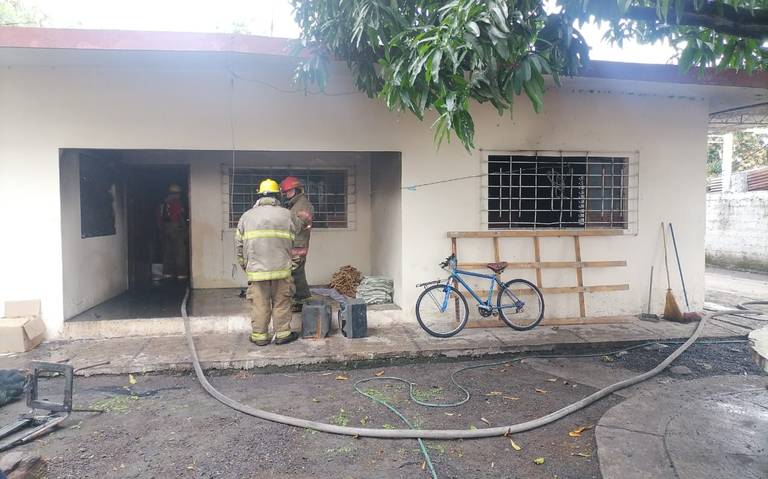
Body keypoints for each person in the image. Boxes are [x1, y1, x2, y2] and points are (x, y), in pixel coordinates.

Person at [235, 178, 301, 346]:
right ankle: (282, 334)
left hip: (257, 271)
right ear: (277, 196)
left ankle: (260, 337)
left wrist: (246, 266)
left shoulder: (246, 216)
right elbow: (297, 242)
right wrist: (293, 264)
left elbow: (239, 246)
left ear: (259, 196)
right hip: (282, 270)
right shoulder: (288, 215)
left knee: (259, 304)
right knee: (282, 302)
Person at [280, 176, 314, 312]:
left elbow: (298, 226)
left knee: (294, 274)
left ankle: (299, 301)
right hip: (296, 244)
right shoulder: (296, 204)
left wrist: (284, 216)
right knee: (298, 274)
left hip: (298, 245)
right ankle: (304, 300)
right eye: (285, 192)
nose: (286, 194)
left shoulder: (302, 205)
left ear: (297, 190)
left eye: (289, 191)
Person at [158, 184, 188, 280]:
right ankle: (181, 275)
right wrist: (185, 229)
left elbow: (159, 218)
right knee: (180, 252)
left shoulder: (162, 203)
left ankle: (167, 274)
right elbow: (180, 216)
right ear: (176, 193)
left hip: (164, 229)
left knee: (167, 252)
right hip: (176, 228)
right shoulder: (176, 203)